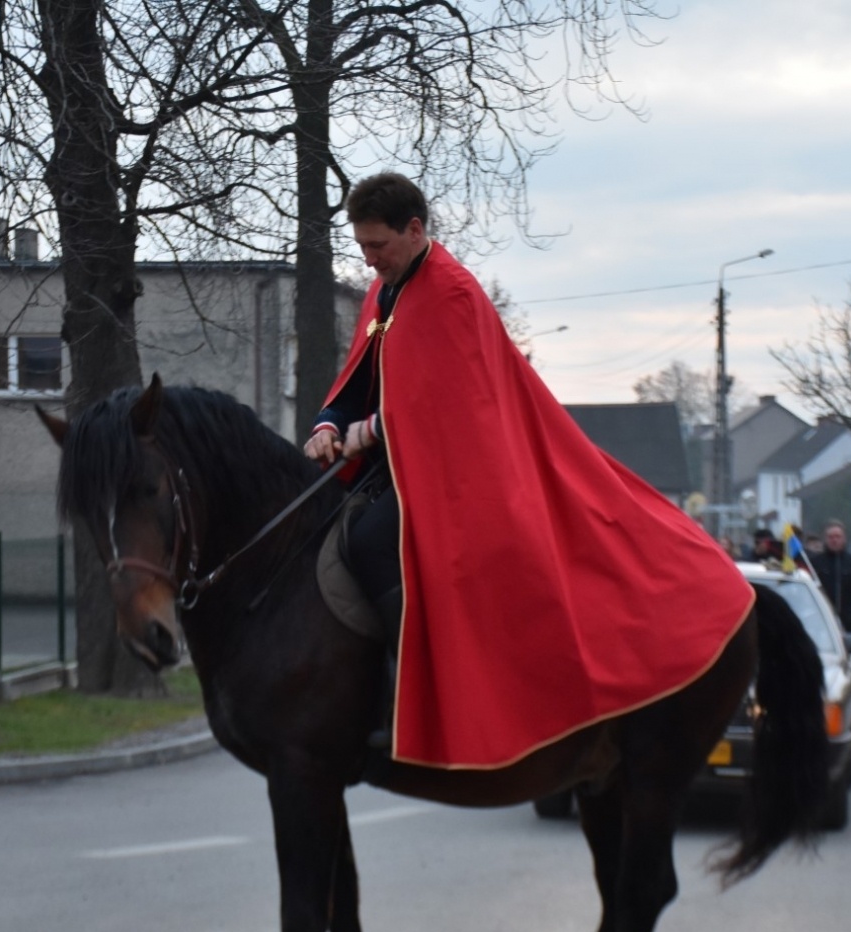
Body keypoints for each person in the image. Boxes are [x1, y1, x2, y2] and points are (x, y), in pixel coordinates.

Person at [301, 172, 752, 767]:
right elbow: (363, 373)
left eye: (377, 245)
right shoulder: (385, 290)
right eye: (361, 247)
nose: (369, 259)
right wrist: (329, 423)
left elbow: (451, 405)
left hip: (462, 472)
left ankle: (400, 686)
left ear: (415, 230)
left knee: (368, 543)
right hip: (401, 462)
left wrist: (369, 431)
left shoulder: (451, 292)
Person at [809, 520, 851, 635]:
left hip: (848, 621)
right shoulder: (815, 563)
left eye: (837, 536)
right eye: (831, 537)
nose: (834, 540)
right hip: (822, 620)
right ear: (826, 539)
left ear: (844, 539)